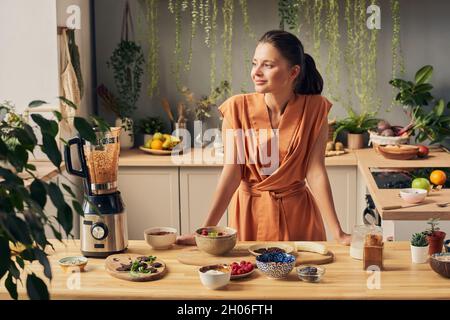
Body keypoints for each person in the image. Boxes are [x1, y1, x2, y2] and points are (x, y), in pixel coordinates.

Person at [177, 30, 351, 245]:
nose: (256, 72)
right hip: (250, 214)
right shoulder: (236, 109)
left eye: (267, 65)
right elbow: (232, 173)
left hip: (299, 217)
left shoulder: (315, 110)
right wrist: (205, 232)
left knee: (302, 274)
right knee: (249, 274)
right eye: (254, 63)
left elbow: (315, 172)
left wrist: (339, 233)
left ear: (293, 72)